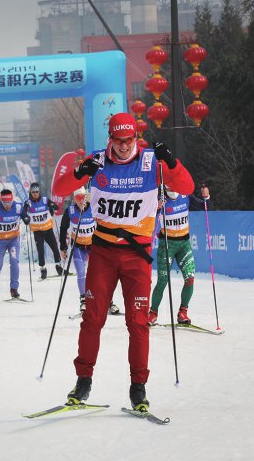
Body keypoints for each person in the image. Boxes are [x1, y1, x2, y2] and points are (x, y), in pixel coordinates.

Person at [55, 112, 194, 413]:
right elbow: (60, 189)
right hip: (103, 253)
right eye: (117, 141)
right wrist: (80, 171)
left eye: (128, 140)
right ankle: (83, 382)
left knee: (138, 321)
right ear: (110, 139)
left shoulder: (150, 162)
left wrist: (171, 163)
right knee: (92, 318)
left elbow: (187, 186)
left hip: (137, 256)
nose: (122, 146)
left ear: (135, 138)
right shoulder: (97, 161)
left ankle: (138, 388)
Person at [149, 185, 196, 325]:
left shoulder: (185, 195)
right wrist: (156, 208)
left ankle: (183, 312)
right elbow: (148, 217)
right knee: (163, 281)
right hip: (167, 245)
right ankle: (153, 313)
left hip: (184, 244)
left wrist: (206, 198)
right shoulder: (159, 198)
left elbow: (205, 205)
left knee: (190, 278)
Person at [58, 187, 94, 313]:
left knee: (98, 274)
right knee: (81, 272)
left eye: (83, 198)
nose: (81, 201)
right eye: (78, 198)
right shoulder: (70, 210)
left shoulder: (94, 208)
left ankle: (107, 301)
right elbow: (63, 228)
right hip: (78, 246)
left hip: (92, 246)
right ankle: (83, 300)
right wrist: (63, 247)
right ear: (74, 199)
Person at [20, 182, 62, 280]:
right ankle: (43, 270)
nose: (35, 193)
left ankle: (59, 267)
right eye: (33, 192)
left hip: (48, 229)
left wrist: (52, 206)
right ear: (30, 192)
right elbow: (23, 214)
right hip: (37, 231)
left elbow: (56, 207)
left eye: (37, 192)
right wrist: (25, 217)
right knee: (41, 251)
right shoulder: (28, 203)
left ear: (39, 192)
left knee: (55, 248)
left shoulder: (44, 200)